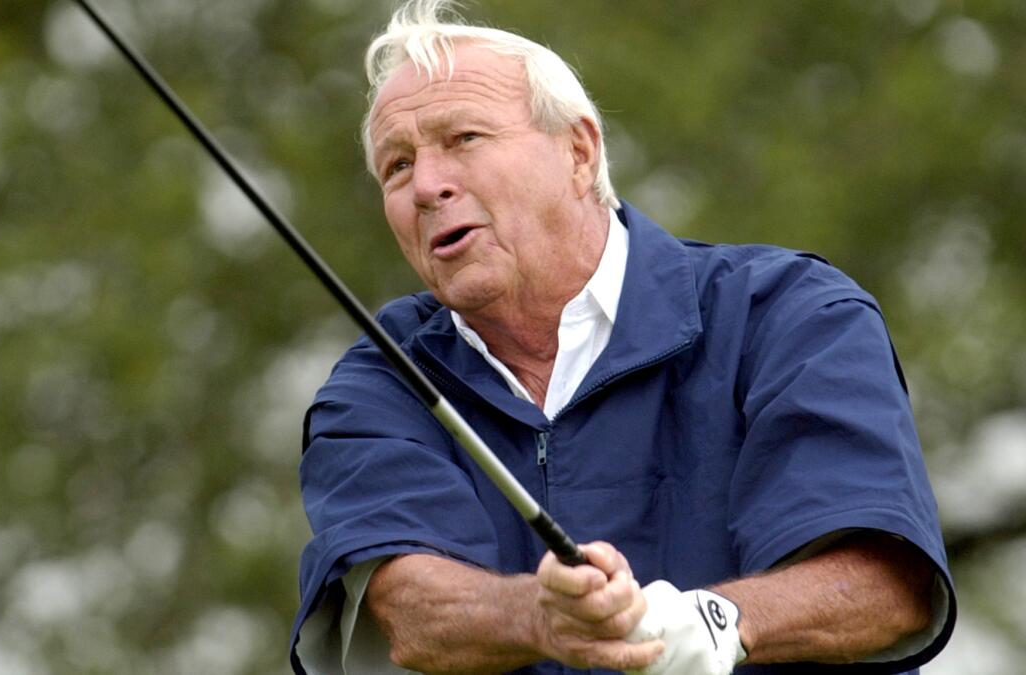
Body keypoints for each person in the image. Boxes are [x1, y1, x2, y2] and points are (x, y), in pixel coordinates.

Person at [291, 1, 956, 673]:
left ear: (579, 151)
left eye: (464, 138)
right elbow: (410, 612)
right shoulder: (380, 379)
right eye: (398, 166)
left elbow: (886, 585)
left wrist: (708, 622)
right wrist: (537, 616)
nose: (428, 185)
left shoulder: (788, 311)